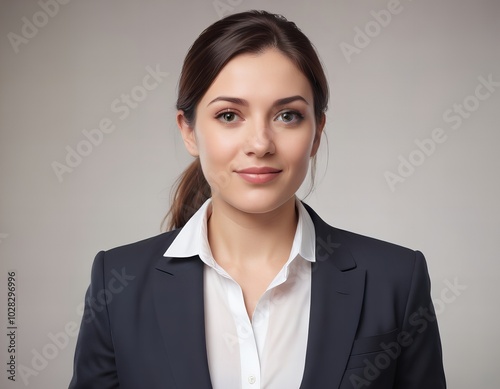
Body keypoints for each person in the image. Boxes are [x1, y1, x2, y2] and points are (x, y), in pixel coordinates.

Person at [69, 10, 446, 389]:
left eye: (287, 115)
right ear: (188, 131)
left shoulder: (396, 279)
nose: (261, 144)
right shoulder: (118, 282)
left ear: (316, 133)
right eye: (230, 115)